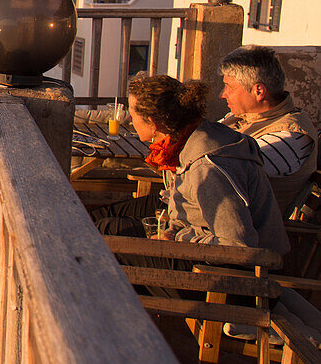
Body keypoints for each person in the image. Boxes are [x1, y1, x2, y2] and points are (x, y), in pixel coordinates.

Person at [95, 73, 288, 254]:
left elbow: (237, 245)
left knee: (108, 246)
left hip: (225, 273)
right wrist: (173, 231)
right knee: (102, 223)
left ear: (153, 123)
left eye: (132, 114)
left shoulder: (207, 168)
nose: (129, 119)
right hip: (193, 235)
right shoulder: (182, 140)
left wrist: (178, 238)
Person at [219, 45, 318, 217]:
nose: (223, 94)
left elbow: (226, 170)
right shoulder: (242, 117)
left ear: (258, 91)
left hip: (250, 235)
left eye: (229, 87)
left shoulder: (292, 135)